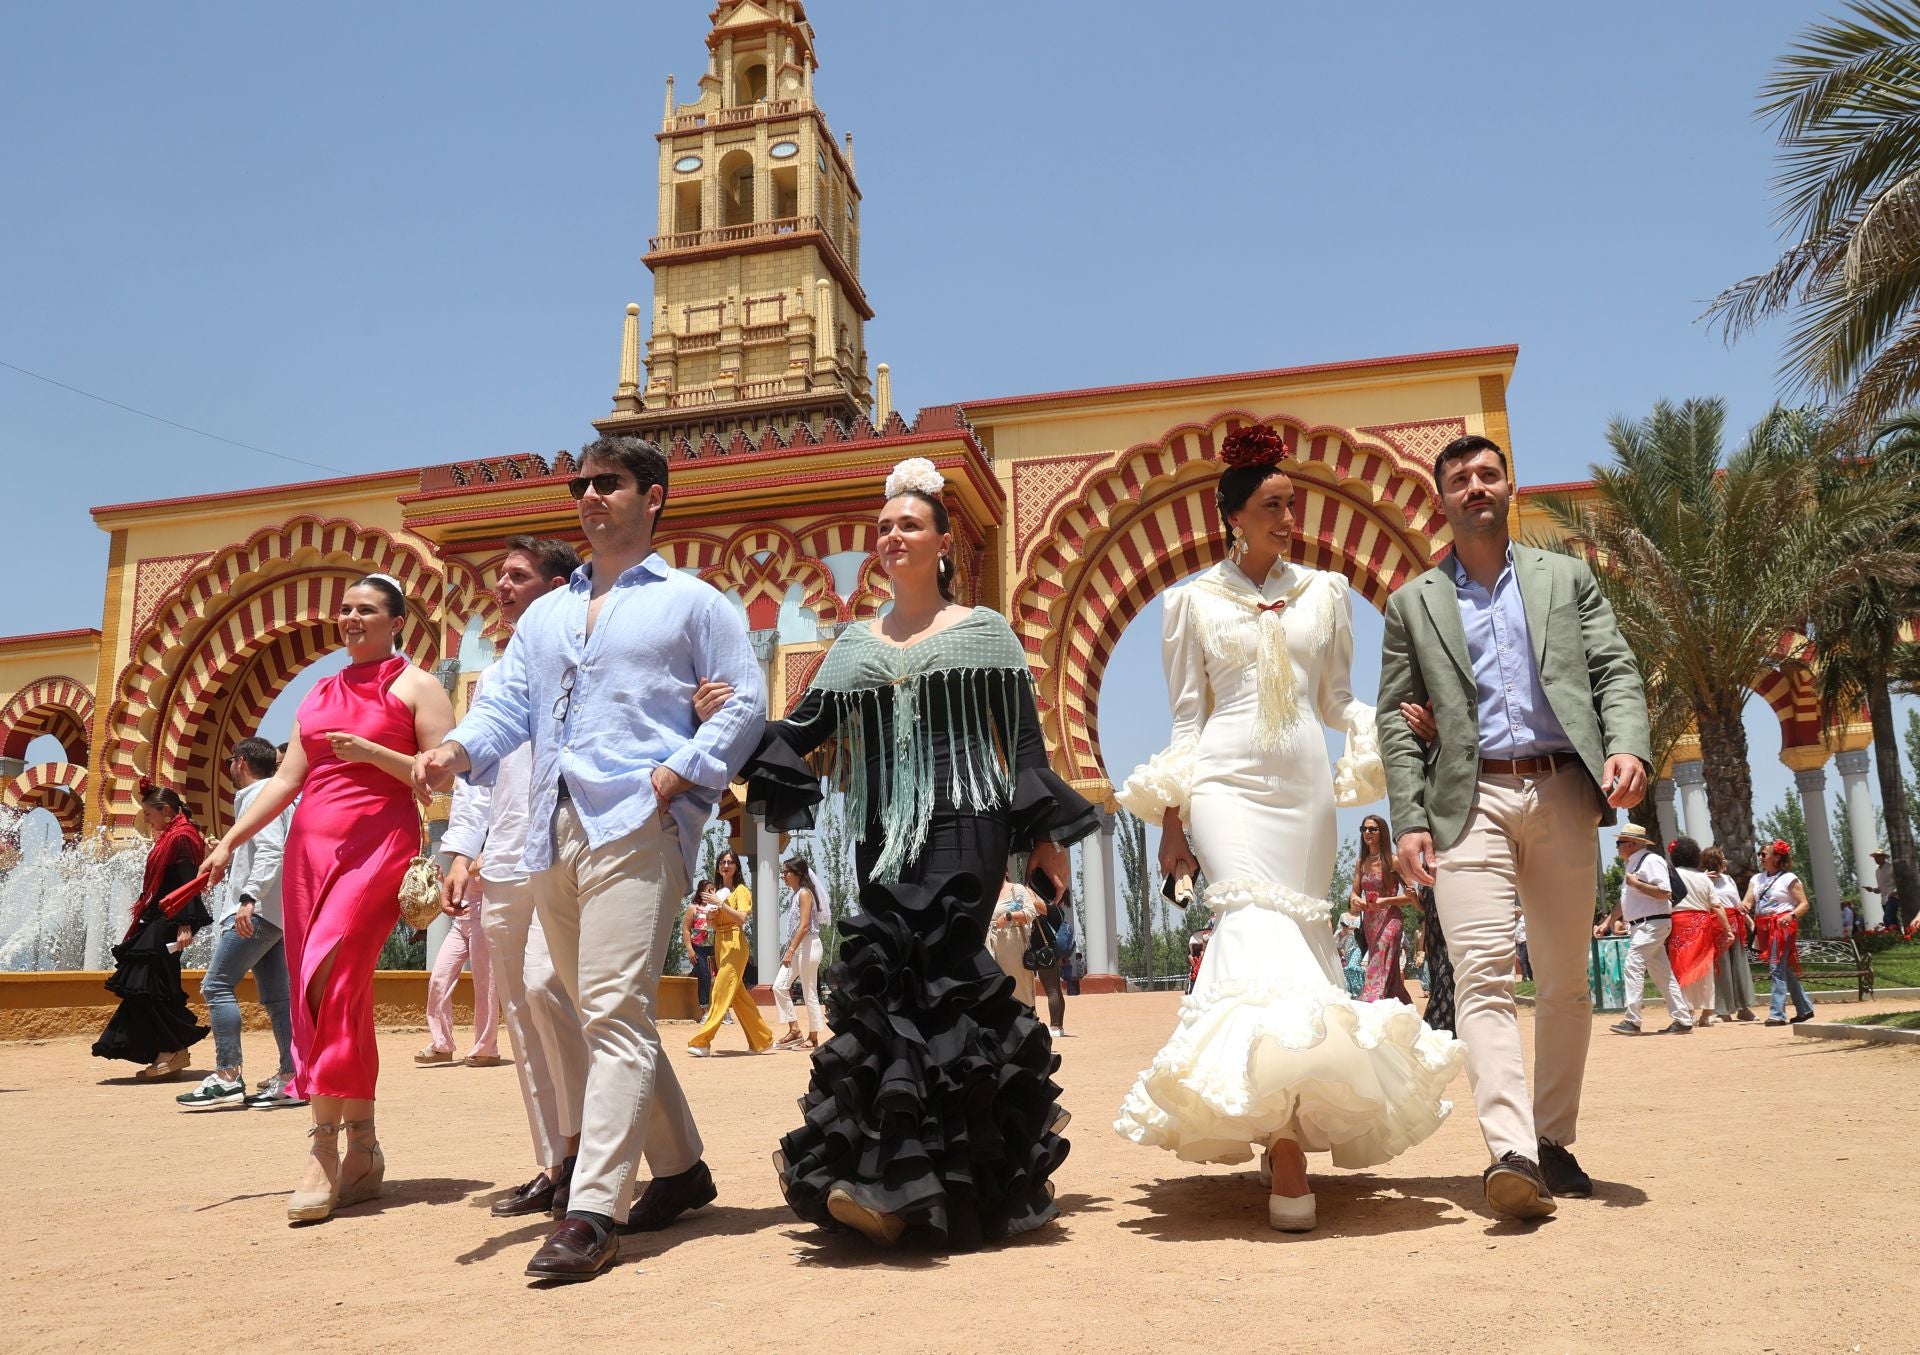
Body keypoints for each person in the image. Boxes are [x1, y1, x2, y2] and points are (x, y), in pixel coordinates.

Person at [723, 455, 1095, 1252]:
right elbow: (802, 733)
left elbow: (1024, 742)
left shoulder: (985, 631)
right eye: (883, 527)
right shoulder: (852, 646)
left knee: (948, 982)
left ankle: (977, 1182)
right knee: (888, 985)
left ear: (942, 540)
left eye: (909, 524)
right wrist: (736, 716)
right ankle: (896, 1179)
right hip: (878, 835)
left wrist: (1044, 837)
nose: (892, 536)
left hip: (969, 817)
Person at [415, 434, 765, 1281]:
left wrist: (678, 772)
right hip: (550, 826)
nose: (588, 494)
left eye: (607, 483)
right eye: (582, 482)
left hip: (638, 822)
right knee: (597, 1009)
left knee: (608, 1008)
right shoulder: (545, 614)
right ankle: (681, 1170)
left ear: (653, 497)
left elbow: (747, 701)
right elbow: (503, 705)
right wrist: (455, 754)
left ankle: (592, 1211)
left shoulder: (694, 602)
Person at [1114, 424, 1465, 1234]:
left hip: (1303, 785)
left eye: (1292, 504)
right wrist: (1173, 820)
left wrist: (1390, 729)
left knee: (1305, 944)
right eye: (1273, 505)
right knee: (1254, 928)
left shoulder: (1329, 594)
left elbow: (1337, 701)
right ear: (1234, 515)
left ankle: (1292, 1118)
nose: (1288, 517)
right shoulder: (1190, 603)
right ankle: (1282, 1145)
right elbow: (1188, 719)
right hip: (1226, 785)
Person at [1379, 432, 1651, 1221]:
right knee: (1483, 975)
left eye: (1487, 474)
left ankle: (1554, 1135)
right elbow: (1396, 722)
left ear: (1509, 487)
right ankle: (1511, 1151)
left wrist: (1628, 742)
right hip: (1469, 801)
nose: (1475, 486)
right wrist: (1408, 819)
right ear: (1441, 498)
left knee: (1566, 979)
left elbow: (1614, 669)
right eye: (1459, 478)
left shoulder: (1566, 577)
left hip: (1564, 786)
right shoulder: (1412, 603)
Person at [203, 574, 457, 1223]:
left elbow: (445, 774)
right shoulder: (318, 691)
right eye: (345, 609)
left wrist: (373, 752)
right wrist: (230, 838)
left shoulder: (418, 686)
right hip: (310, 854)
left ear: (395, 620)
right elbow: (288, 777)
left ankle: (321, 1146)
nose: (350, 618)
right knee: (339, 989)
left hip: (379, 846)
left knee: (327, 978)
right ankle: (364, 1148)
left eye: (365, 609)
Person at [439, 535, 589, 1221]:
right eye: (498, 575)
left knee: (549, 995)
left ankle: (585, 1156)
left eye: (518, 576)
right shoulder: (500, 671)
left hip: (559, 849)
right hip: (500, 857)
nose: (501, 586)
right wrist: (460, 853)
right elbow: (477, 773)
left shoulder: (583, 656)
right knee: (522, 1018)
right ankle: (552, 1161)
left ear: (557, 587)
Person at [175, 738, 301, 1110]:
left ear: (240, 762)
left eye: (230, 762)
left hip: (256, 911)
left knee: (216, 986)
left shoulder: (257, 795)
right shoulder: (281, 795)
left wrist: (248, 898)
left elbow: (270, 849)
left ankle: (227, 1075)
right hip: (278, 913)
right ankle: (293, 1076)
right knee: (279, 999)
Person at [92, 784, 213, 1077]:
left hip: (169, 921)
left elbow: (187, 883)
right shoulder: (173, 836)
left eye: (149, 813)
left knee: (146, 983)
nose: (147, 819)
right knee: (155, 985)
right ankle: (169, 1051)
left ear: (166, 810)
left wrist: (186, 924)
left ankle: (172, 1049)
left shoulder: (182, 837)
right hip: (161, 918)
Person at [1594, 827, 1691, 1036]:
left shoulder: (1650, 861)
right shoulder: (1634, 863)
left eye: (1619, 842)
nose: (1617, 847)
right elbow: (1624, 900)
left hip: (1652, 923)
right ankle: (1682, 1019)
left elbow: (1665, 891)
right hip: (1645, 925)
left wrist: (1636, 883)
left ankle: (1633, 1020)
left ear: (1631, 843)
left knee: (1633, 964)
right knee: (1662, 974)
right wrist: (1607, 922)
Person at [687, 848, 774, 1055]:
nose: (726, 866)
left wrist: (721, 905)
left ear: (736, 867)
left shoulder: (741, 891)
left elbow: (742, 919)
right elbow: (713, 925)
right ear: (718, 867)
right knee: (738, 996)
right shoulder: (716, 893)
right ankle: (762, 1040)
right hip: (720, 942)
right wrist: (711, 915)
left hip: (735, 943)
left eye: (730, 862)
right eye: (723, 862)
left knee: (719, 989)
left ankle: (703, 1041)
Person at [417, 870, 500, 1068]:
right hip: (459, 923)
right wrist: (443, 878)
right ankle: (442, 1044)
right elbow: (461, 882)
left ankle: (486, 1049)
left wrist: (461, 863)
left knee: (485, 986)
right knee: (439, 979)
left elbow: (475, 868)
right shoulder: (461, 853)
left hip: (484, 920)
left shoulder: (489, 842)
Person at [1745, 839, 1817, 1026]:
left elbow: (1804, 904)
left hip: (1782, 926)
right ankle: (1805, 1009)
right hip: (1763, 927)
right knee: (1783, 968)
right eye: (1759, 854)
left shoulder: (1789, 878)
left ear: (1777, 857)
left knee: (1776, 967)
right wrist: (1743, 907)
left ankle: (1777, 1014)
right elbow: (1748, 901)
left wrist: (1791, 915)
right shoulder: (1756, 879)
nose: (1760, 857)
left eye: (1764, 854)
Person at [1665, 836, 1733, 1027]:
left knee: (1681, 967)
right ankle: (1707, 1014)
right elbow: (1717, 907)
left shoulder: (1670, 875)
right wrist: (1728, 930)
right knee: (1705, 968)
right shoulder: (1704, 879)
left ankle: (1687, 1011)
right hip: (1703, 924)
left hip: (1678, 923)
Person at [1350, 813, 1414, 1003]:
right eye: (1364, 829)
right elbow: (1354, 893)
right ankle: (1400, 1003)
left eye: (1372, 829)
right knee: (1387, 965)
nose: (1367, 832)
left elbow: (1411, 896)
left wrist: (1384, 901)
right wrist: (1355, 900)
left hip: (1391, 918)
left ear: (1382, 832)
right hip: (1370, 922)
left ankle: (1370, 1000)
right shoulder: (1361, 863)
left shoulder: (1393, 861)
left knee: (1379, 952)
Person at [772, 855, 827, 1049]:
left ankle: (813, 1038)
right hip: (798, 948)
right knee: (779, 986)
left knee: (809, 991)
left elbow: (804, 926)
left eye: (786, 872)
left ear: (797, 873)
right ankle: (795, 1030)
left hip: (809, 946)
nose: (783, 875)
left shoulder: (804, 894)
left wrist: (790, 950)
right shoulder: (796, 895)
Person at [1703, 846, 1757, 1022]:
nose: (1725, 862)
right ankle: (1722, 1010)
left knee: (1739, 966)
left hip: (1735, 923)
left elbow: (1737, 903)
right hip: (1715, 927)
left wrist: (1749, 921)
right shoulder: (1703, 880)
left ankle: (1744, 1007)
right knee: (1722, 967)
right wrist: (1702, 879)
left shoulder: (1728, 880)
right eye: (1722, 859)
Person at [987, 874, 1039, 1008]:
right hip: (990, 947)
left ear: (1005, 871)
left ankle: (1027, 1023)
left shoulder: (1017, 889)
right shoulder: (987, 892)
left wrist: (1008, 916)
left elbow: (1030, 912)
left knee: (1019, 989)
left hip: (1013, 948)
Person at [680, 880, 716, 1011]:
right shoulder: (693, 908)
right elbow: (686, 929)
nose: (712, 893)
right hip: (698, 948)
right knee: (705, 975)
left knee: (718, 978)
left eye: (714, 890)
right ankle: (705, 1009)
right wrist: (689, 949)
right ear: (701, 892)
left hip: (713, 948)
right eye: (709, 890)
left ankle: (723, 1010)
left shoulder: (716, 908)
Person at [1861, 848, 1896, 930]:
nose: (1876, 859)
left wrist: (1894, 892)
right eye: (1875, 857)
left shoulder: (1891, 868)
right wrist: (1872, 889)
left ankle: (1894, 935)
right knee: (1892, 920)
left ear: (1884, 857)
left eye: (1878, 857)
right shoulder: (1877, 871)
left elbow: (1899, 882)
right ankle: (1897, 937)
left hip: (1893, 897)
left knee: (1887, 918)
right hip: (1884, 900)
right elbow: (1879, 889)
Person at [1334, 910, 1366, 997]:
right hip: (1347, 946)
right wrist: (1344, 930)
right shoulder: (1343, 915)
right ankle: (1352, 992)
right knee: (1349, 969)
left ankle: (1358, 992)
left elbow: (1367, 929)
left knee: (1353, 966)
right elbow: (1339, 934)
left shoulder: (1363, 914)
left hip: (1359, 944)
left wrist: (1356, 929)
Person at [1513, 906, 1532, 982]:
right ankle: (1530, 976)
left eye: (1515, 912)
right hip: (1519, 943)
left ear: (1520, 912)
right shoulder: (1515, 921)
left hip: (1525, 942)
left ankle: (1525, 977)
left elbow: (1529, 931)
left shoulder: (1524, 920)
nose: (1514, 914)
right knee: (1526, 960)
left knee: (1522, 960)